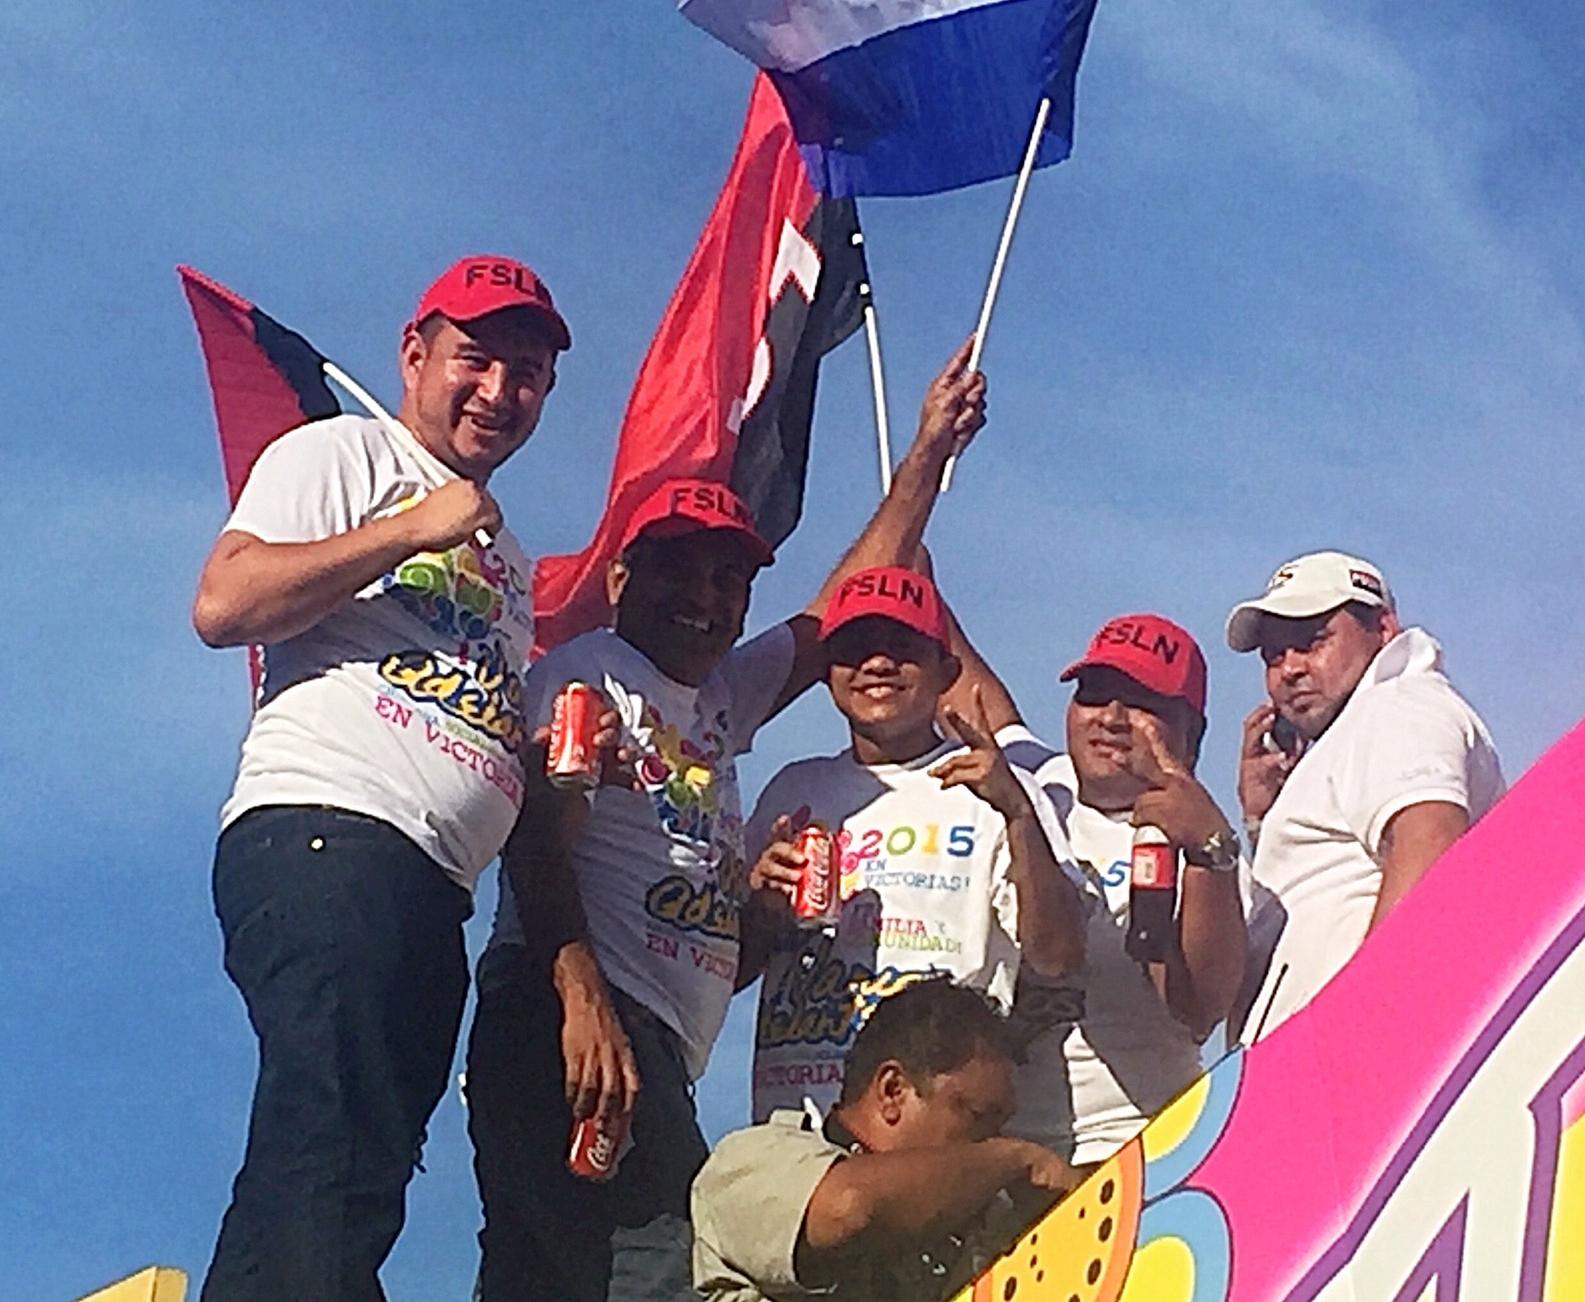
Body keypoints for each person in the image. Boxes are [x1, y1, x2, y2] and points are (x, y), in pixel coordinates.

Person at [465, 343, 988, 1302]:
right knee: (657, 1269)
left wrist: (926, 459)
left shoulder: (713, 701)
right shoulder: (588, 676)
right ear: (623, 579)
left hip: (649, 1036)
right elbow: (536, 847)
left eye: (727, 581)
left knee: (554, 1275)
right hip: (577, 1014)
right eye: (680, 573)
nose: (706, 600)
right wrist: (578, 999)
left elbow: (832, 615)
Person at [190, 255, 612, 1300]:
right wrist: (406, 529)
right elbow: (224, 603)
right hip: (334, 830)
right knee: (336, 1133)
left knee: (359, 1149)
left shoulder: (502, 551)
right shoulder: (343, 455)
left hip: (433, 886)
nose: (499, 392)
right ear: (414, 356)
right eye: (476, 359)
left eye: (527, 375)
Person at [744, 566, 1087, 1131]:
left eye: (902, 648)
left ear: (945, 671)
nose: (877, 664)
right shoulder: (793, 788)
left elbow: (1058, 956)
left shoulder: (997, 786)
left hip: (934, 1135)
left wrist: (1019, 816)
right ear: (828, 673)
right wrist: (762, 908)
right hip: (796, 1127)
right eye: (854, 648)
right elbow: (731, 970)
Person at [981, 614, 1246, 1165]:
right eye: (1094, 694)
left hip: (1136, 1149)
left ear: (1190, 735)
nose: (1112, 718)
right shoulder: (1036, 784)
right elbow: (962, 678)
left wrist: (1209, 851)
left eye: (1142, 701)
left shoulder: (1201, 841)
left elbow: (1199, 1011)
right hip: (999, 1153)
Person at [1226, 551, 1504, 1042]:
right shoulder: (1362, 729)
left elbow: (1429, 850)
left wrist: (1364, 1027)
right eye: (1273, 655)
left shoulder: (1398, 703)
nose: (1288, 668)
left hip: (1352, 1059)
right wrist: (1261, 821)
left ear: (1384, 628)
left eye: (1312, 642)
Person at [691, 977, 1079, 1302]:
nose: (990, 1140)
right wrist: (1015, 1158)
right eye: (979, 1117)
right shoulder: (754, 1159)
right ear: (893, 1090)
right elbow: (848, 1208)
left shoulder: (982, 1223)